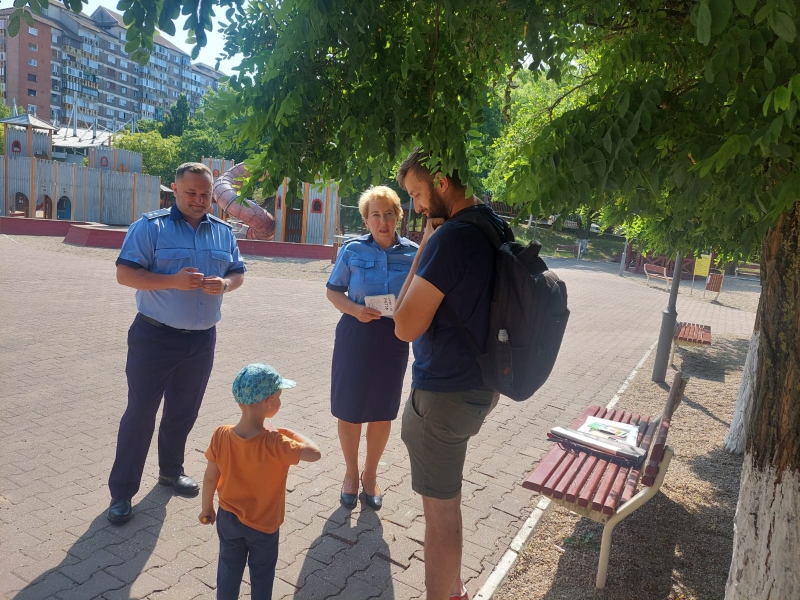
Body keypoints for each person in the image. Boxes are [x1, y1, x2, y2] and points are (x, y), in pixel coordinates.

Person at [106, 162, 246, 525]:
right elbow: (125, 274)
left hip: (201, 340)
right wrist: (172, 280)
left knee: (183, 411)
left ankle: (170, 471)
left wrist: (225, 285)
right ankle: (122, 492)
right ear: (175, 190)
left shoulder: (222, 232)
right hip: (155, 336)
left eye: (205, 194)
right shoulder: (150, 227)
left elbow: (237, 272)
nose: (199, 200)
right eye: (191, 193)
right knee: (140, 413)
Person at [393, 150, 504, 600]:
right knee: (449, 503)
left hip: (443, 395)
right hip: (482, 384)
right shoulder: (492, 224)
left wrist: (424, 244)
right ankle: (454, 589)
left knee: (440, 517)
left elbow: (404, 324)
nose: (417, 207)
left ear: (440, 182)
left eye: (417, 194)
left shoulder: (450, 238)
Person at [326, 186, 418, 510]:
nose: (383, 221)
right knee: (349, 409)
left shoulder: (413, 254)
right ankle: (351, 474)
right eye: (375, 215)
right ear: (366, 219)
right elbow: (333, 292)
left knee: (382, 411)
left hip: (393, 338)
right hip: (356, 334)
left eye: (389, 214)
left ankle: (371, 475)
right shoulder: (352, 250)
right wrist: (355, 310)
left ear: (398, 217)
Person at [199, 363, 321, 600]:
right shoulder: (277, 443)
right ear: (270, 401)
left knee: (228, 568)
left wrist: (207, 507)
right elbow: (314, 453)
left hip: (228, 518)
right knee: (262, 574)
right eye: (279, 397)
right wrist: (290, 434)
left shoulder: (220, 434)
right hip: (264, 525)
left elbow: (210, 476)